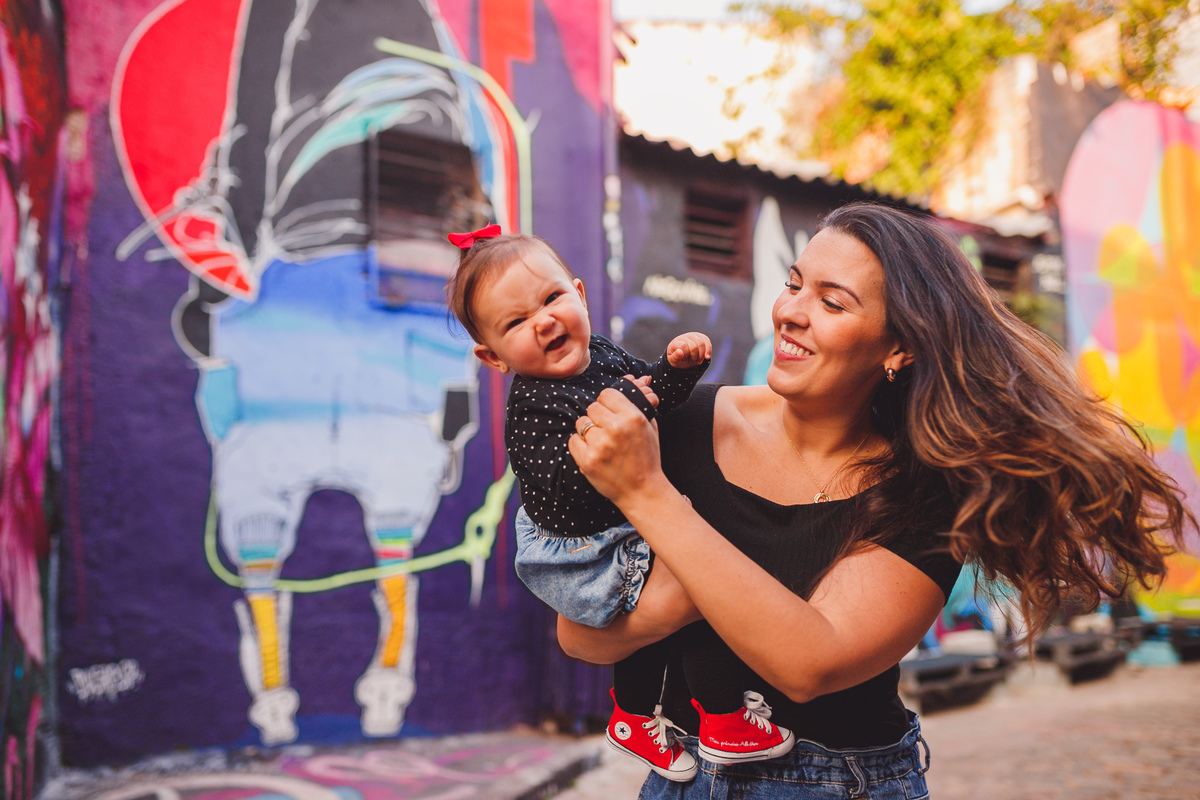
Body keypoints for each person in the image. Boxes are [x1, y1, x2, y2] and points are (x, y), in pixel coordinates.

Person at [559, 202, 1192, 799]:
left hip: (838, 781)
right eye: (794, 283)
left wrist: (649, 500)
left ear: (898, 348)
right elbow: (581, 634)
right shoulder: (679, 423)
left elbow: (809, 660)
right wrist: (710, 592)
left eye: (832, 302)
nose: (791, 312)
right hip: (683, 776)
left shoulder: (927, 491)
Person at [445, 225, 797, 782]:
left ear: (580, 295)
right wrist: (631, 407)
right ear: (493, 355)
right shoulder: (533, 408)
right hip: (582, 544)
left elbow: (652, 399)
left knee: (665, 610)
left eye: (552, 298)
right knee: (703, 587)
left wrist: (677, 371)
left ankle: (634, 716)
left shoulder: (602, 355)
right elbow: (562, 494)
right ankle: (724, 717)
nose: (543, 321)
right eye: (515, 323)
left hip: (621, 523)